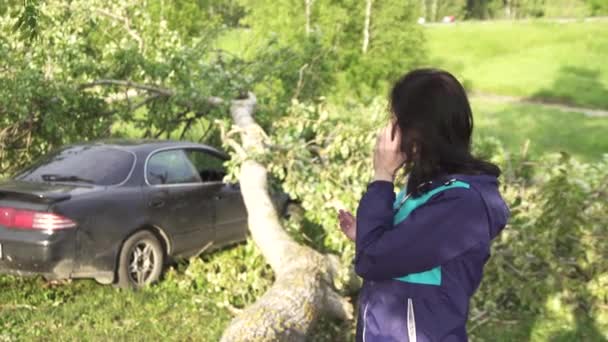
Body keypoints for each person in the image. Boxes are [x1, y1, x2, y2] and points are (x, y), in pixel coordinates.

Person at [337, 69, 510, 342]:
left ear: (421, 130)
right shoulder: (428, 185)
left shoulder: (461, 204)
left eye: (396, 119)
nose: (389, 130)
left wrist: (382, 176)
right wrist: (369, 236)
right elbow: (396, 252)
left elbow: (373, 261)